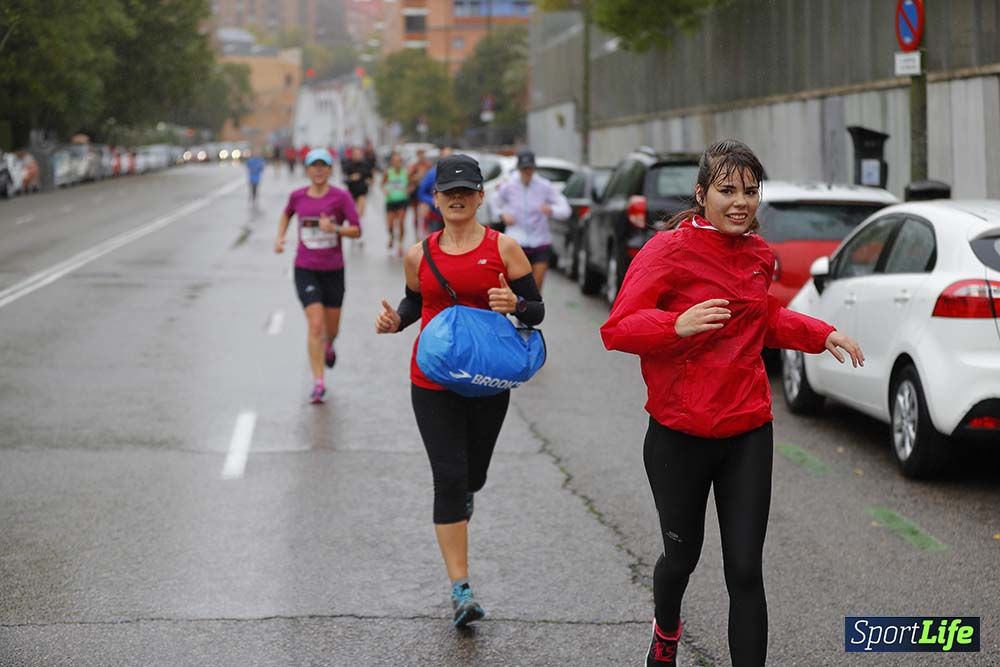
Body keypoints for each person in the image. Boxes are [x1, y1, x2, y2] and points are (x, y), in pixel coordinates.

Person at [599, 139, 864, 667]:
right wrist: (674, 324)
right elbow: (618, 328)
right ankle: (667, 630)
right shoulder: (666, 251)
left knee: (745, 569)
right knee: (681, 557)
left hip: (746, 431)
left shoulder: (758, 256)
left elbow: (760, 318)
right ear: (701, 195)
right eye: (726, 190)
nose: (741, 201)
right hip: (679, 434)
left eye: (749, 190)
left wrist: (820, 332)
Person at [374, 154, 545, 628]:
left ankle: (468, 491)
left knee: (474, 475)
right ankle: (461, 589)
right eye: (448, 192)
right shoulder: (419, 254)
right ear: (435, 199)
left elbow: (537, 312)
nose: (457, 199)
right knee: (448, 478)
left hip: (488, 380)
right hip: (432, 381)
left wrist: (517, 303)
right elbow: (414, 301)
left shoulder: (505, 249)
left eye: (466, 191)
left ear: (479, 197)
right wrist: (396, 323)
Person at [275, 148, 362, 403]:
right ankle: (318, 382)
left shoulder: (341, 197)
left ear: (330, 169)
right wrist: (280, 237)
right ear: (307, 169)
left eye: (324, 165)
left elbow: (357, 230)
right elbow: (286, 213)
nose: (319, 170)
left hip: (333, 270)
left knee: (331, 329)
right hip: (305, 268)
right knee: (315, 325)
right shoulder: (297, 196)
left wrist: (334, 228)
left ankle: (329, 345)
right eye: (314, 165)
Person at [495, 149, 570, 291]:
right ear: (519, 169)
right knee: (514, 286)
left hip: (540, 242)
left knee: (536, 288)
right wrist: (502, 215)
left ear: (534, 168)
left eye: (529, 169)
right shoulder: (509, 185)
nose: (527, 173)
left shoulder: (544, 186)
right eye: (524, 169)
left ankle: (532, 311)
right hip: (516, 243)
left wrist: (551, 210)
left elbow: (565, 209)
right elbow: (494, 202)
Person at [416, 147, 453, 236]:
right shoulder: (432, 174)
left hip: (452, 217)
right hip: (436, 216)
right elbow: (421, 193)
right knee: (435, 243)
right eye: (445, 156)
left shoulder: (456, 174)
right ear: (441, 157)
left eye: (450, 157)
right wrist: (431, 200)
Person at [382, 152, 409, 255]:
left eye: (399, 161)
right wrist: (385, 190)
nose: (397, 163)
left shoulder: (405, 173)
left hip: (402, 201)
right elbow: (382, 184)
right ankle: (391, 236)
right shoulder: (388, 173)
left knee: (401, 222)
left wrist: (408, 190)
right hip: (391, 201)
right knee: (390, 225)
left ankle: (400, 245)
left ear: (401, 162)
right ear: (392, 162)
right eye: (395, 161)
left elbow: (410, 184)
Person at [407, 148, 433, 238]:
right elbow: (409, 178)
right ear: (417, 155)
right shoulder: (414, 166)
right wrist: (418, 177)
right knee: (416, 214)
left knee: (425, 213)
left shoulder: (428, 165)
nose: (421, 156)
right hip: (416, 191)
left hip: (425, 192)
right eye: (420, 154)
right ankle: (416, 233)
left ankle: (425, 232)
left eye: (423, 154)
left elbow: (432, 176)